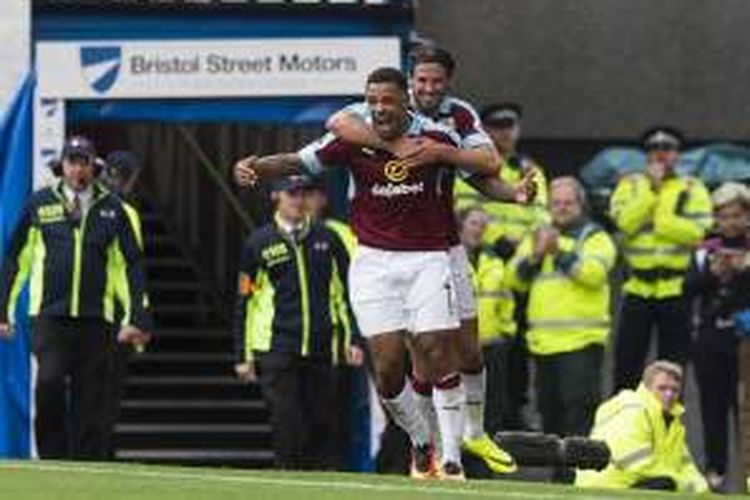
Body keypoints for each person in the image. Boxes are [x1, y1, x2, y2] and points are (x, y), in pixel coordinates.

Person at [234, 67, 502, 479]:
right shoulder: (351, 139)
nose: (379, 108)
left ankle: (451, 459)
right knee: (389, 367)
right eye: (372, 101)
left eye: (387, 101)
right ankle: (419, 440)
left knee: (435, 347)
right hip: (375, 261)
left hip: (428, 257)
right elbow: (299, 160)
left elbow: (482, 172)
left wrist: (516, 193)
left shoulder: (437, 137)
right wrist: (257, 166)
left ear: (406, 101)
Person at [323, 46, 525, 475]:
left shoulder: (458, 117)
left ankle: (474, 433)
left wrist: (443, 157)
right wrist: (393, 144)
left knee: (468, 350)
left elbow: (486, 165)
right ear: (410, 80)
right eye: (421, 80)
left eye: (436, 81)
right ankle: (434, 450)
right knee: (420, 352)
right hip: (395, 252)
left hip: (443, 247)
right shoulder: (385, 107)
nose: (428, 88)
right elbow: (338, 123)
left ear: (448, 81)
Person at [0, 135, 151, 459]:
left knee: (91, 396)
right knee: (50, 382)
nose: (77, 169)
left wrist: (136, 314)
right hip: (50, 316)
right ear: (62, 165)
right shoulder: (40, 203)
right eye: (72, 161)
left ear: (93, 166)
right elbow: (16, 258)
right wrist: (4, 310)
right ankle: (52, 459)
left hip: (98, 318)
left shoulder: (113, 209)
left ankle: (87, 466)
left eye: (84, 161)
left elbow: (130, 264)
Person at [233, 175, 358, 470]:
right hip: (276, 345)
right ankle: (288, 477)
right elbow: (244, 302)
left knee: (324, 418)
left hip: (322, 345)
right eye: (293, 194)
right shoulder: (258, 243)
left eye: (304, 194)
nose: (300, 200)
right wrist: (243, 356)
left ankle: (326, 481)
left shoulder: (328, 238)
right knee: (286, 418)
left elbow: (347, 293)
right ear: (276, 197)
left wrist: (352, 339)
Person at [508, 177, 616, 482]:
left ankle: (577, 480)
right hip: (544, 344)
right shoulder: (537, 237)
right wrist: (536, 255)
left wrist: (558, 252)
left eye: (568, 203)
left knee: (579, 414)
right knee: (550, 414)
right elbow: (513, 280)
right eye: (556, 203)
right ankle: (559, 479)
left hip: (581, 343)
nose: (561, 208)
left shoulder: (595, 236)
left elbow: (594, 275)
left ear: (580, 204)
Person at [455, 102, 550, 431]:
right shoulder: (472, 167)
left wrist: (521, 249)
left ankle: (516, 405)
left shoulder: (530, 169)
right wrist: (495, 240)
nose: (504, 134)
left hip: (520, 266)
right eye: (496, 127)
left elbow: (540, 217)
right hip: (482, 259)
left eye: (509, 127)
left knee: (518, 340)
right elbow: (464, 212)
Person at [610, 127, 713, 391]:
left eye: (667, 149)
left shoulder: (692, 187)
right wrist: (651, 192)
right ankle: (625, 428)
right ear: (646, 155)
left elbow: (697, 233)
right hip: (637, 289)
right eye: (654, 150)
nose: (660, 155)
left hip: (676, 289)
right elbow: (624, 223)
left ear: (677, 154)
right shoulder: (631, 185)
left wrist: (658, 220)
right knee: (626, 365)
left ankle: (668, 428)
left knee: (673, 370)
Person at [684, 182, 750, 492]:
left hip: (746, 340)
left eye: (737, 215)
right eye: (724, 216)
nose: (731, 223)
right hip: (710, 341)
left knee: (746, 409)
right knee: (713, 409)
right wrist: (715, 272)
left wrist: (743, 270)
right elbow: (688, 288)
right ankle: (716, 471)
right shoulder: (705, 248)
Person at [576, 360, 708, 493]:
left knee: (668, 484)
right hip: (605, 489)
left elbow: (685, 465)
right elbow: (637, 463)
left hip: (626, 486)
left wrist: (703, 492)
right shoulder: (632, 410)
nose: (669, 394)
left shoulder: (672, 423)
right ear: (647, 388)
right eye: (662, 388)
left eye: (674, 390)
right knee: (666, 485)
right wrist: (682, 484)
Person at [458, 207, 516, 437]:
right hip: (457, 348)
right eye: (474, 223)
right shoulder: (446, 258)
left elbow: (506, 301)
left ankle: (484, 467)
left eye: (483, 226)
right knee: (458, 407)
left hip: (492, 347)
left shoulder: (494, 262)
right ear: (460, 226)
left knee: (491, 408)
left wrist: (506, 333)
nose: (479, 229)